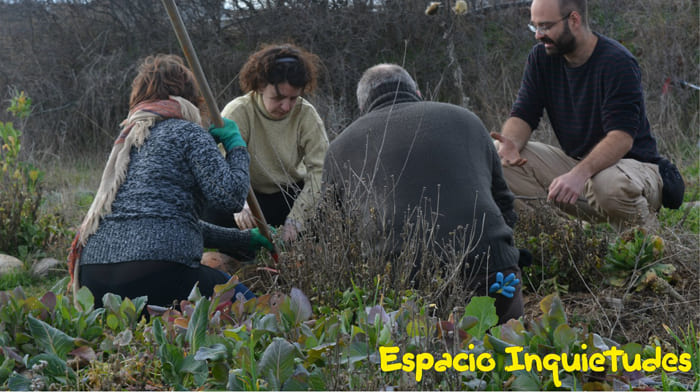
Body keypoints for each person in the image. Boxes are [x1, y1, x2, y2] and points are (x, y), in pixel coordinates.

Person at [67, 54, 274, 308]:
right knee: (252, 307)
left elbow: (169, 221)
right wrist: (236, 147)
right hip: (157, 274)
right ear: (190, 98)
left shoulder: (126, 142)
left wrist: (245, 240)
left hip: (95, 283)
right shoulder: (187, 131)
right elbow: (230, 197)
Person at [322, 63, 523, 324]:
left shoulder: (340, 147)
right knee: (507, 354)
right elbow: (505, 204)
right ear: (416, 91)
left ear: (362, 108)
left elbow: (330, 232)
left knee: (424, 358)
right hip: (493, 275)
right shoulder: (466, 118)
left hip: (405, 291)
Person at [491, 0, 683, 228]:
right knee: (496, 159)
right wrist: (511, 144)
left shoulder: (617, 62)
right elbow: (524, 113)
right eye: (535, 27)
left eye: (546, 26)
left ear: (574, 20)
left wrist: (579, 174)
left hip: (634, 170)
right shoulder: (541, 58)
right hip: (580, 170)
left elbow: (622, 138)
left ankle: (650, 251)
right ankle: (568, 242)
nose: (538, 35)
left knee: (607, 185)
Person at [216, 43, 329, 241]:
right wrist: (240, 202)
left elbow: (320, 170)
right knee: (214, 209)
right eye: (278, 97)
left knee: (329, 206)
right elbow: (219, 166)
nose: (286, 106)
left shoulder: (306, 114)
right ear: (260, 86)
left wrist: (297, 218)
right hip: (248, 196)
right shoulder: (238, 112)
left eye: (293, 98)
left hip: (290, 195)